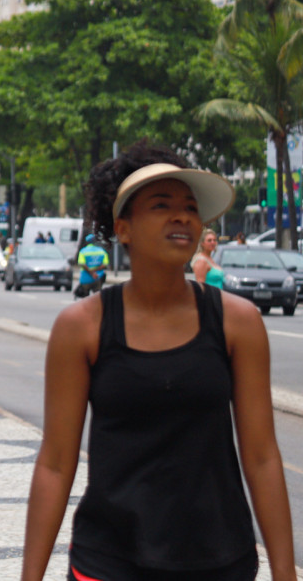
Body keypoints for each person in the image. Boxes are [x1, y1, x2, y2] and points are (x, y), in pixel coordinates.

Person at [22, 143, 295, 580]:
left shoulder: (237, 322)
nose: (181, 216)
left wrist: (285, 572)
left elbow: (262, 457)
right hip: (109, 560)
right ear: (123, 229)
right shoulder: (82, 327)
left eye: (190, 208)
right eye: (161, 205)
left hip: (219, 558)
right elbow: (55, 462)